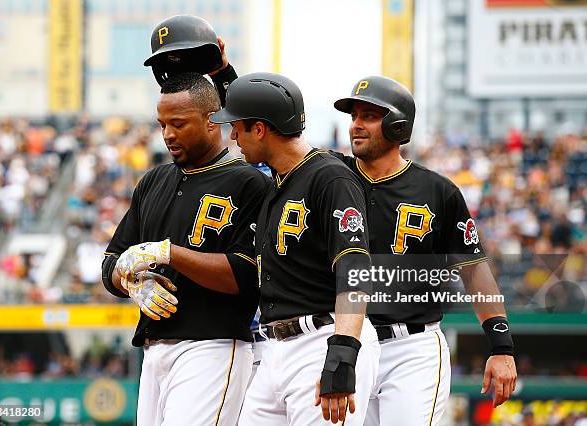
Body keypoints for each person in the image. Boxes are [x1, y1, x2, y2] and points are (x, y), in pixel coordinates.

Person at [331, 76, 518, 425]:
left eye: (369, 115)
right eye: (354, 116)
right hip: (347, 342)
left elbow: (474, 271)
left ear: (397, 124)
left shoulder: (438, 191)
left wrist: (501, 346)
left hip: (411, 348)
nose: (356, 125)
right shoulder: (331, 177)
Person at [210, 72, 380, 425]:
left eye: (237, 127)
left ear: (260, 130)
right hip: (275, 349)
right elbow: (256, 99)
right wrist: (224, 73)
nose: (232, 136)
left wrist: (343, 353)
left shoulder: (329, 177)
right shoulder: (276, 182)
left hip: (323, 339)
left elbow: (354, 270)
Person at [101, 72, 269, 425]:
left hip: (213, 345)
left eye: (178, 123)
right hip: (154, 347)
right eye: (162, 124)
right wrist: (131, 282)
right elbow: (110, 261)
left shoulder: (248, 182)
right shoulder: (153, 180)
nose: (168, 134)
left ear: (212, 121)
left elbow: (245, 274)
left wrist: (169, 252)